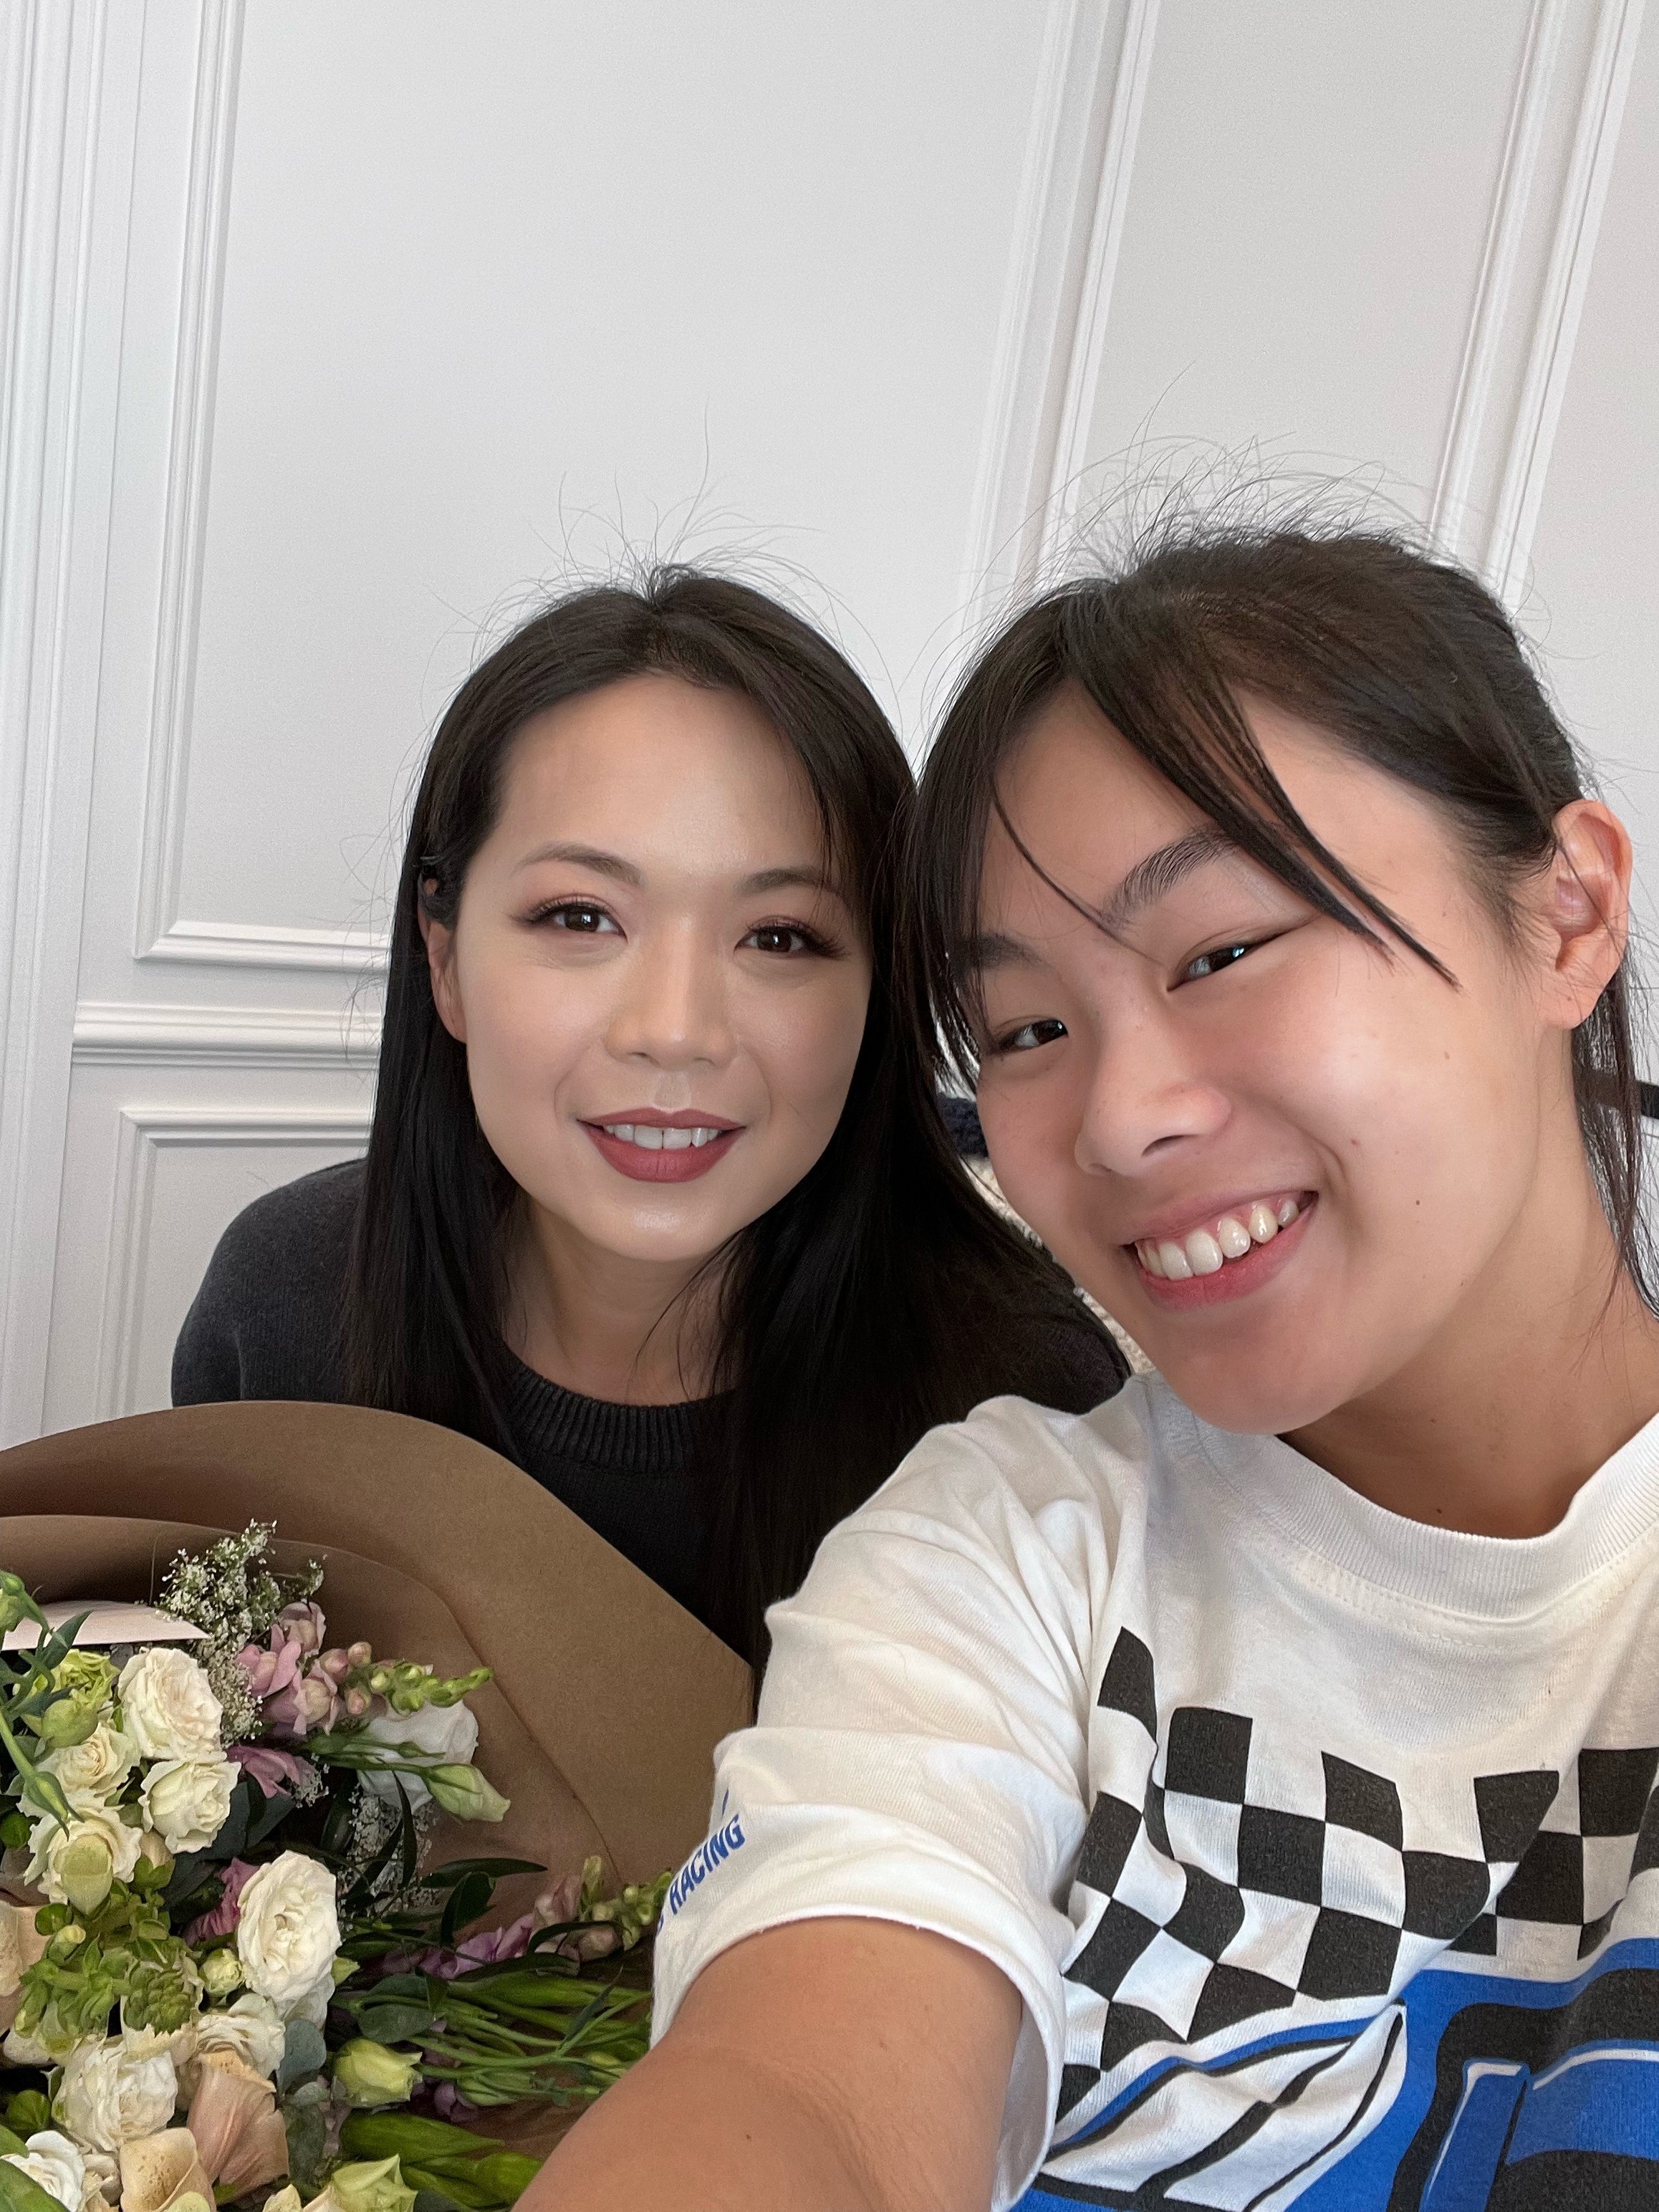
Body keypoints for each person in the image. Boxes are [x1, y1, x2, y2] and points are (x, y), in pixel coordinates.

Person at [535, 526, 1659, 2209]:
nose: (1121, 1118)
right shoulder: (1002, 1549)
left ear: (1565, 914)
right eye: (1028, 1031)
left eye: (1218, 953)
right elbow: (801, 2084)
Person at [173, 571, 1124, 1664]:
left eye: (779, 936)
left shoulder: (1020, 1403)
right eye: (581, 916)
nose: (674, 1031)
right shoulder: (283, 1307)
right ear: (445, 960)